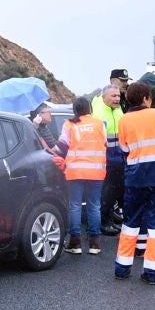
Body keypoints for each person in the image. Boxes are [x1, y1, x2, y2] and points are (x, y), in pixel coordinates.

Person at [112, 81, 155, 284]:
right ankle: (151, 272)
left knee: (130, 223)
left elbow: (124, 150)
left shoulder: (124, 120)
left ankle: (122, 268)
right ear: (146, 99)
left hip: (135, 178)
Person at [57, 94, 106, 256]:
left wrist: (49, 151)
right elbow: (104, 143)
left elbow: (61, 146)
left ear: (75, 110)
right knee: (94, 206)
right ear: (89, 109)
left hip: (75, 171)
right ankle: (95, 244)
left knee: (75, 206)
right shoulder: (99, 124)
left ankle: (75, 243)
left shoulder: (69, 124)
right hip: (96, 171)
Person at [93, 70, 130, 235]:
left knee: (115, 193)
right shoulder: (99, 113)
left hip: (119, 160)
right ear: (104, 97)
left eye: (118, 96)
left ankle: (110, 220)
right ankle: (103, 223)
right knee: (106, 195)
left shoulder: (117, 110)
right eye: (113, 96)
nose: (117, 98)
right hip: (105, 161)